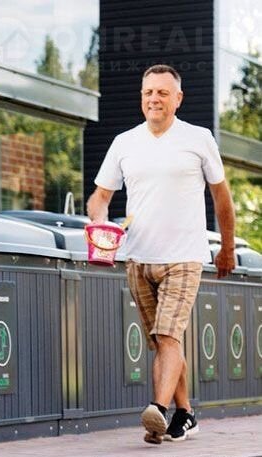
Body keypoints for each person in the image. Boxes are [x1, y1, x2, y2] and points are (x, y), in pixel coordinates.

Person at [87, 64, 236, 444]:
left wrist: (227, 247)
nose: (154, 99)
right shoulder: (124, 142)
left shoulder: (198, 138)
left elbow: (222, 197)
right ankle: (185, 413)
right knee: (161, 341)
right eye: (148, 92)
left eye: (163, 93)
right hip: (138, 257)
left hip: (184, 256)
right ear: (142, 98)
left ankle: (157, 408)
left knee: (167, 335)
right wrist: (100, 223)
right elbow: (100, 196)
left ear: (178, 98)